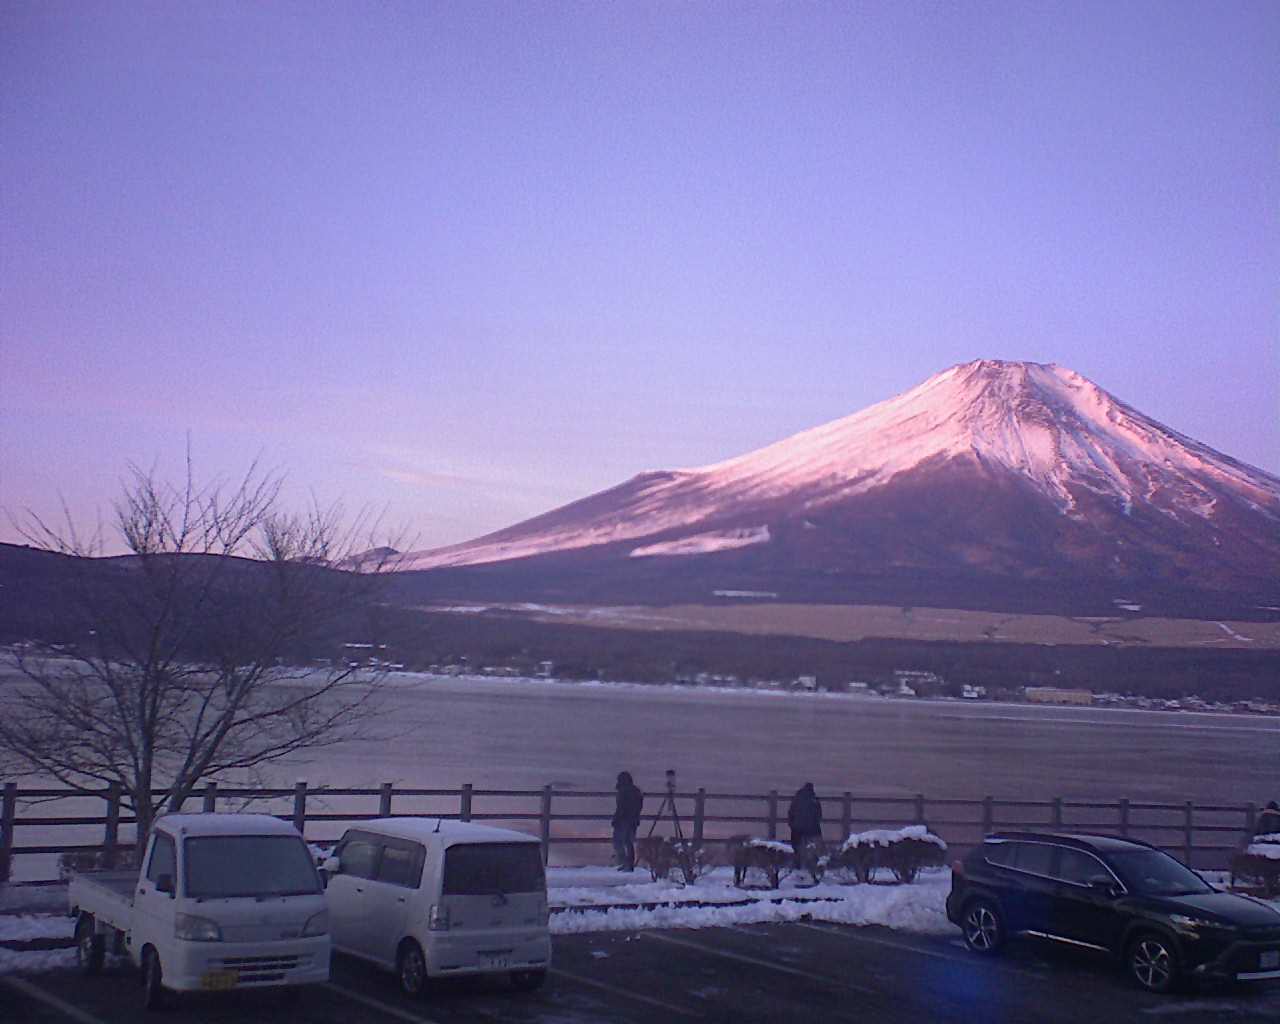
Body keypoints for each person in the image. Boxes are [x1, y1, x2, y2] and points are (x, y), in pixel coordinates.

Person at [612, 771, 644, 871]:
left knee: (620, 841)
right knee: (628, 842)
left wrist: (616, 819)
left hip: (624, 821)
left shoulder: (623, 791)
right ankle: (628, 863)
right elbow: (639, 806)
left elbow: (621, 808)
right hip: (633, 820)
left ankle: (625, 862)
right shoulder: (636, 791)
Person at [787, 781, 823, 855]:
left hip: (796, 827)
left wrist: (791, 824)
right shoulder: (814, 799)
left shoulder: (797, 798)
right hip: (811, 828)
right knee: (811, 847)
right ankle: (810, 860)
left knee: (796, 847)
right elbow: (819, 815)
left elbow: (791, 812)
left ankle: (796, 861)